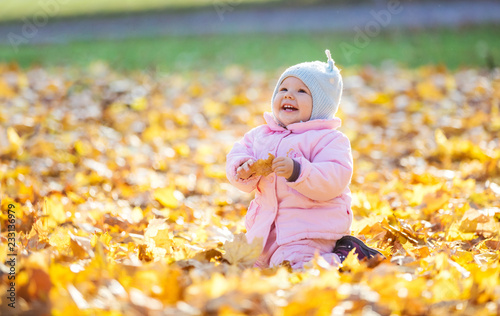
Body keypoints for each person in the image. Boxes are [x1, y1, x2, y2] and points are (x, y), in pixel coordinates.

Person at [226, 50, 383, 269]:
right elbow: (237, 152)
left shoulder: (328, 140)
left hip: (309, 230)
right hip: (264, 232)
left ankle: (346, 256)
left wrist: (298, 172)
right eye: (283, 89)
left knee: (295, 268)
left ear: (320, 105)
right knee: (248, 268)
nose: (289, 95)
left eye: (301, 91)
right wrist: (242, 168)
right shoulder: (261, 135)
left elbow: (334, 178)